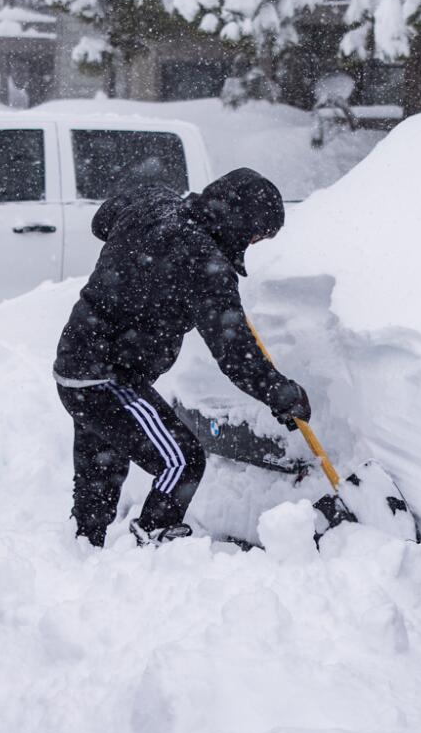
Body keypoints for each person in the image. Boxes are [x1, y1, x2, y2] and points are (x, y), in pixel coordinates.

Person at [54, 166, 310, 547]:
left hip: (75, 364)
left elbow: (101, 221)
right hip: (108, 377)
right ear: (240, 221)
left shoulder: (153, 202)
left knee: (101, 468)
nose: (254, 243)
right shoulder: (206, 267)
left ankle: (82, 548)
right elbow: (235, 353)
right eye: (256, 235)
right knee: (183, 462)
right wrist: (279, 392)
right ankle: (153, 541)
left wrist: (139, 253)